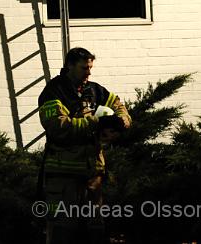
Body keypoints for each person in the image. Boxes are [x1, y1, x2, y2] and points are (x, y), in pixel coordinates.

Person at [38, 47, 131, 244]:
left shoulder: (95, 90)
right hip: (63, 178)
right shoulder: (54, 91)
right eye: (84, 68)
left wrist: (121, 121)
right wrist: (97, 122)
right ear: (69, 66)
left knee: (94, 227)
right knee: (63, 229)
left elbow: (119, 106)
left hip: (92, 176)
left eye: (90, 67)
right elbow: (58, 127)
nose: (89, 72)